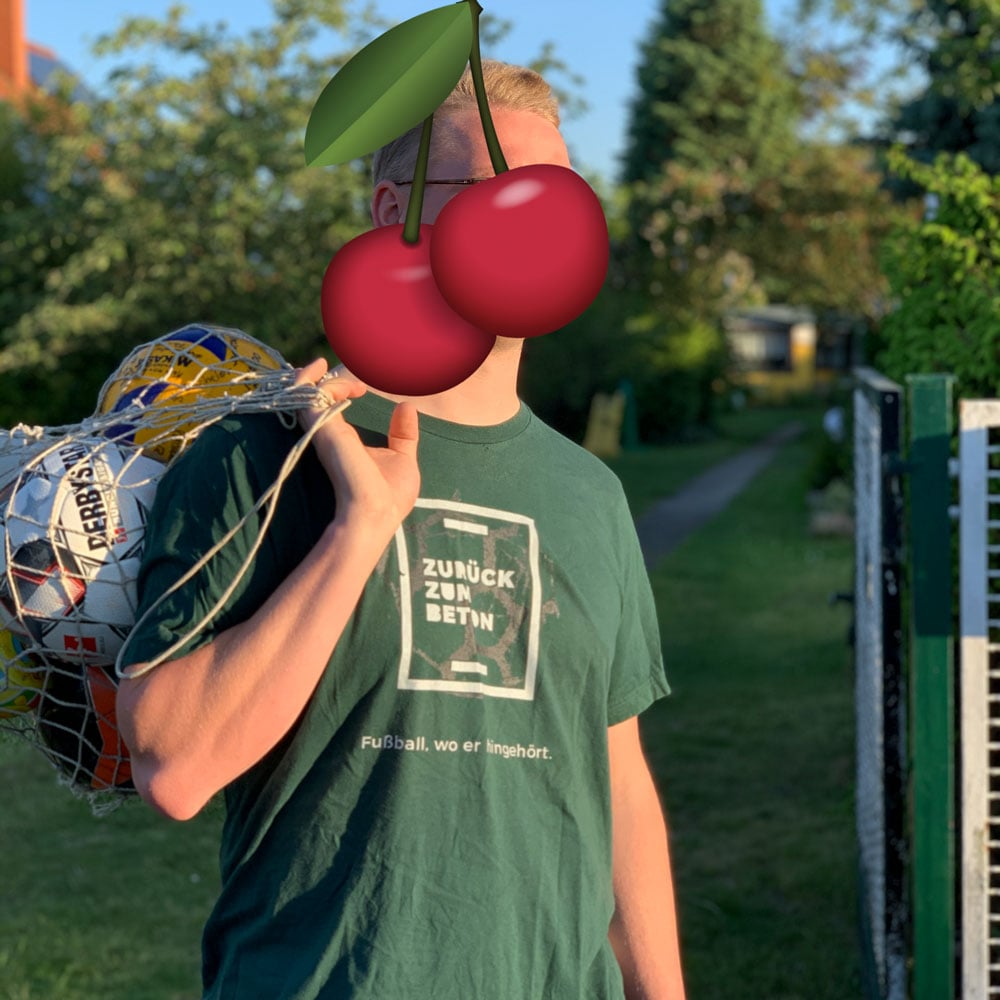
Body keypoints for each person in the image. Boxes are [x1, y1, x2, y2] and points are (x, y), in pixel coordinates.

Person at [116, 59, 686, 1000]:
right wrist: (360, 529)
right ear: (398, 213)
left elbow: (616, 780)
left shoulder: (590, 494)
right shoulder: (263, 455)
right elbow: (174, 762)